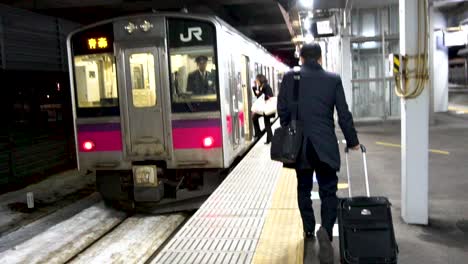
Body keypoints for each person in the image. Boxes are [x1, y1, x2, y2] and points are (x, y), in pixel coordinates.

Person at [277, 43, 360, 264]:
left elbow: (282, 111)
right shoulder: (333, 79)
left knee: (303, 188)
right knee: (328, 191)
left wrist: (290, 130)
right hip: (325, 146)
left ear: (301, 58)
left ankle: (308, 231)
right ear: (320, 58)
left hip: (300, 146)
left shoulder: (289, 78)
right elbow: (344, 114)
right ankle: (326, 230)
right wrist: (353, 141)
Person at [252, 74, 274, 144]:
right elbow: (258, 95)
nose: (257, 82)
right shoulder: (261, 86)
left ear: (260, 80)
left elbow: (269, 96)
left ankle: (260, 134)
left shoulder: (266, 86)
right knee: (257, 119)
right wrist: (254, 87)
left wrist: (261, 94)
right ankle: (265, 136)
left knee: (265, 122)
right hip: (264, 108)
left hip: (267, 107)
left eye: (257, 80)